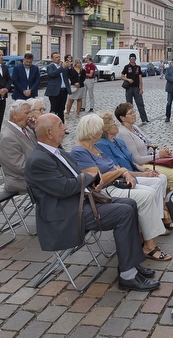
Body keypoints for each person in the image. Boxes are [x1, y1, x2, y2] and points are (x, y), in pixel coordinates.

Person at [25, 114, 159, 292]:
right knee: (123, 212)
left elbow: (74, 182)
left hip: (80, 203)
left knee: (130, 204)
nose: (65, 128)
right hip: (66, 215)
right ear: (49, 132)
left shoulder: (58, 152)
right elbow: (64, 188)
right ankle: (127, 276)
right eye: (60, 125)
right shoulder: (39, 160)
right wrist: (90, 177)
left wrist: (92, 181)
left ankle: (131, 264)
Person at [71, 114, 172, 261]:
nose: (102, 131)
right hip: (102, 192)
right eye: (100, 129)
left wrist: (122, 172)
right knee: (147, 195)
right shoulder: (80, 151)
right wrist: (121, 171)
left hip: (115, 184)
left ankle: (144, 238)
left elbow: (113, 166)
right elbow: (96, 180)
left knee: (150, 191)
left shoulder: (93, 147)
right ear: (93, 131)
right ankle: (149, 245)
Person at [95, 110, 172, 229]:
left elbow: (132, 161)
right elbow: (117, 169)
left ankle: (159, 215)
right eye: (114, 123)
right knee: (156, 181)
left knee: (161, 177)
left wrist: (144, 171)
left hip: (133, 172)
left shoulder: (118, 141)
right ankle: (156, 221)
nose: (117, 126)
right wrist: (143, 175)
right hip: (124, 178)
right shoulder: (102, 145)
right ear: (106, 129)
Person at [116, 103, 173, 191]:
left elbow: (147, 145)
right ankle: (165, 197)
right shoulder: (124, 133)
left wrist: (161, 152)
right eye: (130, 113)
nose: (134, 114)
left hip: (152, 158)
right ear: (122, 118)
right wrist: (159, 155)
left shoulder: (134, 127)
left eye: (134, 112)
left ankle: (166, 192)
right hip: (143, 164)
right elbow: (136, 160)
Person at [0, 99, 36, 194]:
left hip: (33, 173)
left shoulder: (26, 129)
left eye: (30, 112)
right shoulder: (7, 137)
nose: (30, 116)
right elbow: (21, 167)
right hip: (20, 180)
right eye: (27, 113)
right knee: (57, 182)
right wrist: (47, 170)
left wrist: (36, 129)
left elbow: (41, 149)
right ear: (15, 115)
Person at [120, 53, 149, 124]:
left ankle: (144, 119)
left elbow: (140, 78)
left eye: (133, 59)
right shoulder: (126, 67)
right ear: (129, 59)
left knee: (140, 104)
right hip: (129, 88)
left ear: (135, 59)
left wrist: (141, 88)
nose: (132, 60)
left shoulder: (138, 67)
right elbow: (122, 76)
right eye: (131, 59)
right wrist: (128, 79)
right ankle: (129, 119)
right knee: (129, 105)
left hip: (136, 88)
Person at [44, 53, 68, 121]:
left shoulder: (63, 66)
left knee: (61, 110)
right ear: (52, 59)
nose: (58, 58)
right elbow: (52, 74)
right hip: (54, 91)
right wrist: (62, 68)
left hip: (63, 91)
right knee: (54, 109)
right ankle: (52, 126)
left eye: (59, 57)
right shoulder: (50, 66)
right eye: (56, 57)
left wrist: (68, 66)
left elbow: (68, 75)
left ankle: (62, 126)